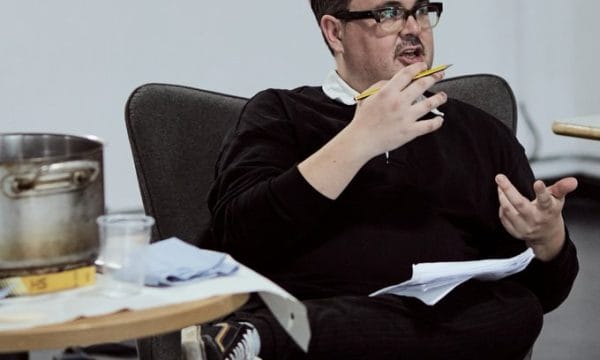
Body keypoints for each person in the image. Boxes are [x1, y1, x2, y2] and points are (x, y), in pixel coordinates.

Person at [200, 1, 579, 359]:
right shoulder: (280, 113)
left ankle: (262, 337)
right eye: (389, 13)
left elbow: (545, 293)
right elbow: (240, 235)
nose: (414, 28)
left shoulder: (481, 133)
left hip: (429, 324)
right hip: (318, 304)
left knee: (519, 308)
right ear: (335, 32)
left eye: (421, 11)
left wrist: (548, 239)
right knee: (309, 314)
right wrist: (359, 141)